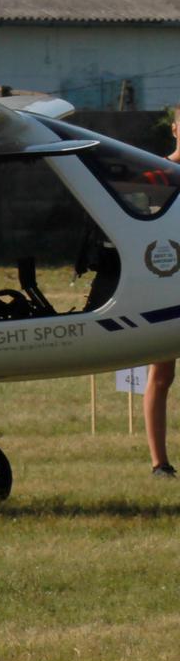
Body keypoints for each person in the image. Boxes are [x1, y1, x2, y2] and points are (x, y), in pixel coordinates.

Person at [147, 110, 180, 477]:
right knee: (161, 375)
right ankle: (160, 463)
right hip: (165, 286)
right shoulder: (155, 173)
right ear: (174, 129)